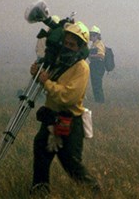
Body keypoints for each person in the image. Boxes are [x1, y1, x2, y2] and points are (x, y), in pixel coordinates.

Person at [29, 21, 100, 197]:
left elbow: (68, 97)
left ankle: (94, 191)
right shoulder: (60, 60)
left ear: (80, 47)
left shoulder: (81, 68)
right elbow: (49, 81)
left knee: (71, 163)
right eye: (66, 43)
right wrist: (38, 74)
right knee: (41, 151)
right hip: (51, 118)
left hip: (69, 122)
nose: (68, 47)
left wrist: (46, 82)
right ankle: (40, 192)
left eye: (72, 45)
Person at [88, 25, 107, 104]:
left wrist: (91, 56)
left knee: (97, 84)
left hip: (98, 66)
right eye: (90, 34)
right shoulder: (94, 44)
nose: (91, 36)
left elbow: (101, 55)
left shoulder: (99, 44)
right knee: (94, 84)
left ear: (97, 36)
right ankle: (97, 101)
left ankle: (100, 101)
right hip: (94, 65)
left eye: (93, 35)